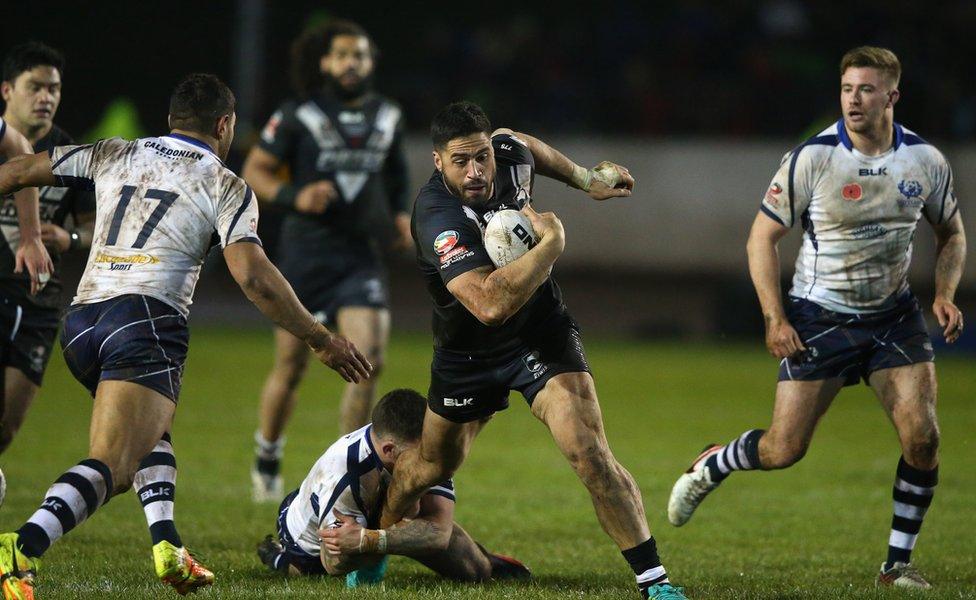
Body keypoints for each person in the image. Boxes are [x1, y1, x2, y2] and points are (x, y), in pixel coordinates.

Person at [0, 73, 372, 599]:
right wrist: (318, 337)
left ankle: (168, 546)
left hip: (82, 322)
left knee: (153, 431)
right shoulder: (224, 183)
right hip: (146, 322)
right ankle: (21, 546)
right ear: (225, 124)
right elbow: (254, 276)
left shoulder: (113, 152)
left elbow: (18, 170)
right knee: (114, 463)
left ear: (172, 119)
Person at [666, 47, 965, 590]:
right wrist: (773, 317)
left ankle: (896, 566)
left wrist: (943, 292)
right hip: (820, 317)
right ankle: (714, 462)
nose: (854, 99)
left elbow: (952, 233)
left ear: (892, 97)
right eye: (848, 88)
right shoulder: (814, 157)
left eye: (867, 89)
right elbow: (762, 238)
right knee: (784, 450)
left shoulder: (925, 161)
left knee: (922, 439)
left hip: (894, 318)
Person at [377, 101, 687, 600]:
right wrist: (552, 243)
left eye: (481, 157)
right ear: (439, 162)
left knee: (589, 452)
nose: (476, 172)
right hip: (468, 353)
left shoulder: (507, 154)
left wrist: (586, 179)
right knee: (429, 467)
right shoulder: (437, 215)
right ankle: (375, 543)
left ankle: (655, 583)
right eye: (460, 162)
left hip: (539, 335)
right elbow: (488, 306)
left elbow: (525, 145)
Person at [243, 19, 411, 503]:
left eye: (360, 55)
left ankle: (349, 470)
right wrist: (297, 195)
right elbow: (255, 171)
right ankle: (267, 454)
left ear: (371, 62)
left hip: (360, 255)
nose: (351, 63)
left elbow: (397, 175)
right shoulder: (299, 113)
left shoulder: (388, 115)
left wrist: (400, 216)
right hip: (306, 254)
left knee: (368, 361)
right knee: (292, 363)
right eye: (341, 55)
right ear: (324, 62)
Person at [258, 388, 530, 586]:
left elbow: (438, 532)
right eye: (419, 453)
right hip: (310, 541)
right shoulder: (345, 473)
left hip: (370, 523)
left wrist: (371, 540)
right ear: (389, 450)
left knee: (476, 572)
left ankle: (485, 557)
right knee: (314, 569)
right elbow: (333, 562)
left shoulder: (426, 448)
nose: (426, 459)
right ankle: (282, 560)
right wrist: (375, 537)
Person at [1, 42, 95, 453]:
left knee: (5, 429)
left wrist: (70, 238)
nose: (46, 97)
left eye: (53, 89)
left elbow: (98, 228)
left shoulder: (71, 156)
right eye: (35, 87)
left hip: (37, 300)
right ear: (7, 91)